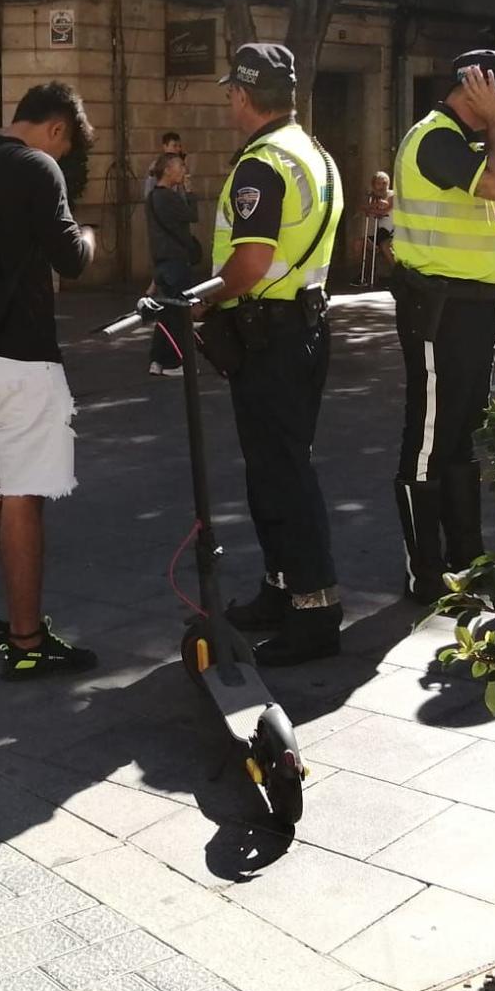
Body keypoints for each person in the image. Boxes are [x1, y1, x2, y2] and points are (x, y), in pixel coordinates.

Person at [0, 83, 98, 678]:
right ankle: (28, 641)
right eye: (65, 149)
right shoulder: (36, 167)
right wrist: (88, 235)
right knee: (22, 495)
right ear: (56, 129)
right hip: (19, 359)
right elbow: (71, 259)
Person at [206, 44, 346, 665]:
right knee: (276, 468)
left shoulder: (261, 163)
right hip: (304, 326)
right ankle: (281, 589)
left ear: (241, 95)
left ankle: (313, 613)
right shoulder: (316, 155)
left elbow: (251, 262)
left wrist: (197, 303)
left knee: (284, 473)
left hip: (271, 334)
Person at [390, 50, 495, 605]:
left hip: (471, 307)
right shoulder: (436, 138)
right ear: (472, 86)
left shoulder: (467, 140)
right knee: (428, 440)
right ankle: (424, 571)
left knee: (461, 437)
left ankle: (466, 559)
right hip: (439, 310)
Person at [144, 151, 202, 378]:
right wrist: (189, 192)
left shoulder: (152, 197)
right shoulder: (168, 197)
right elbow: (192, 215)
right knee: (178, 314)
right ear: (167, 169)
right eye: (180, 166)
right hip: (176, 262)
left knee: (167, 314)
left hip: (163, 262)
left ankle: (157, 360)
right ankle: (172, 362)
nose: (184, 170)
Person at [360, 171, 395, 285]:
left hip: (393, 232)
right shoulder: (373, 197)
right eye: (379, 184)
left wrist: (370, 209)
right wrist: (372, 206)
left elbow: (384, 210)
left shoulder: (392, 195)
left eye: (384, 183)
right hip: (380, 233)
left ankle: (398, 276)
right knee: (358, 243)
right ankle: (364, 275)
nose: (382, 186)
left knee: (385, 246)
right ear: (374, 185)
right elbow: (362, 207)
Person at [143, 131, 188, 197]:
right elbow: (148, 194)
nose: (178, 149)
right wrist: (151, 175)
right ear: (165, 146)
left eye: (179, 146)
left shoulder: (183, 164)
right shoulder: (157, 164)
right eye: (174, 146)